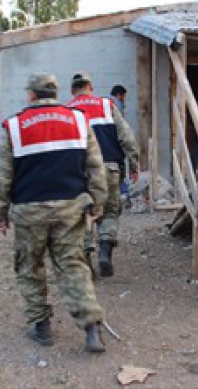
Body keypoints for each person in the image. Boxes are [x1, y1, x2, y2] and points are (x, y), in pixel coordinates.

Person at [0, 73, 108, 353]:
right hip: (70, 209)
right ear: (55, 93)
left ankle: (41, 326)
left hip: (29, 212)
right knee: (73, 265)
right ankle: (91, 329)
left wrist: (0, 212)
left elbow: (1, 175)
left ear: (31, 95)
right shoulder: (80, 120)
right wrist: (98, 201)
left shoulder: (13, 126)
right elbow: (95, 166)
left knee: (30, 266)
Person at [68, 72, 139, 277]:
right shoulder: (107, 106)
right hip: (109, 168)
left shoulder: (67, 112)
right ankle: (105, 253)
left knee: (84, 214)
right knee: (109, 211)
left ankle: (87, 261)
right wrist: (134, 162)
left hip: (80, 170)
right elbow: (126, 137)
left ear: (73, 90)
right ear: (91, 86)